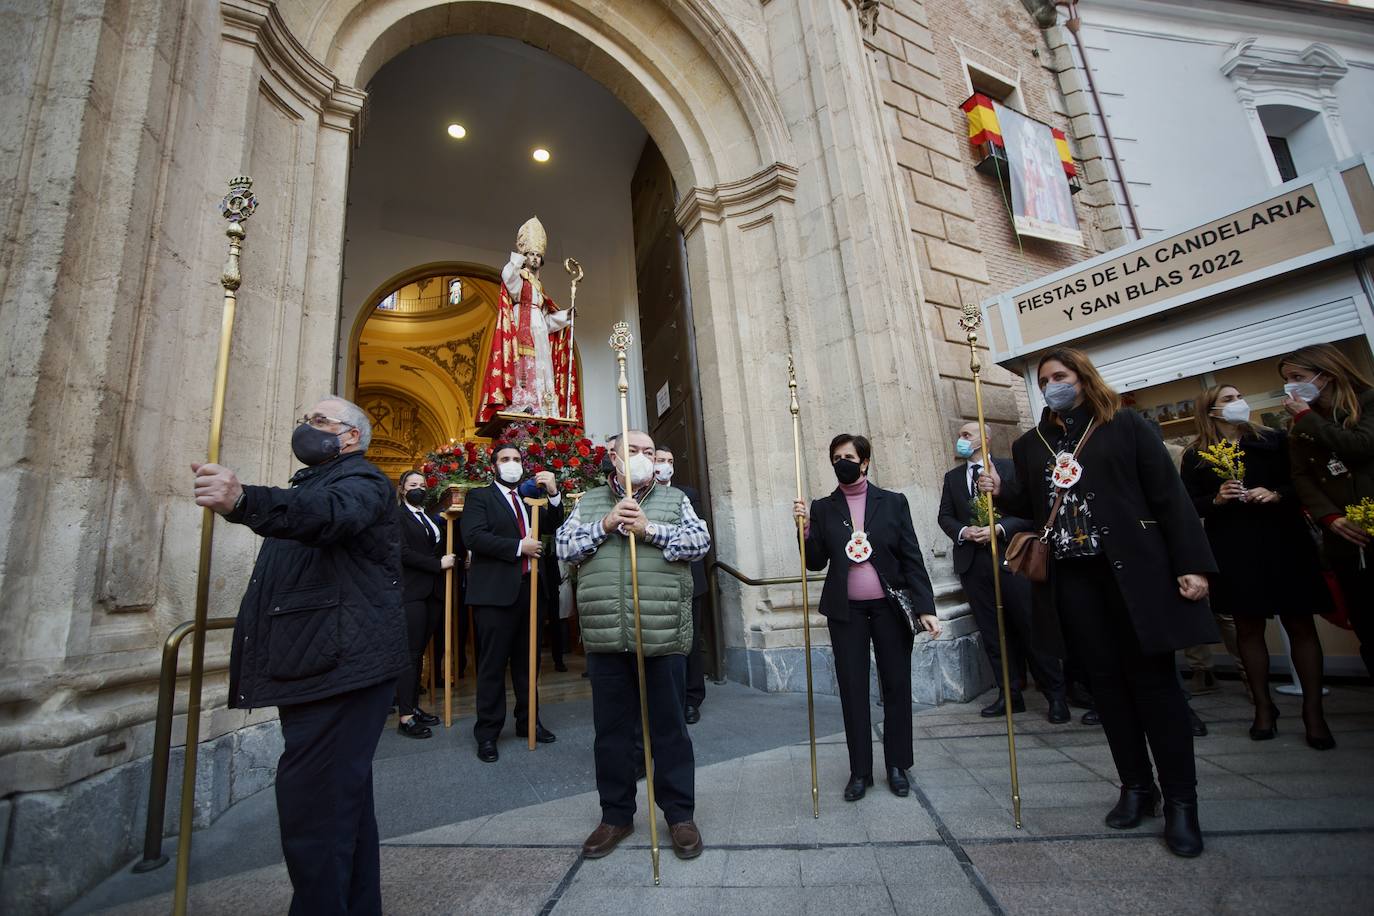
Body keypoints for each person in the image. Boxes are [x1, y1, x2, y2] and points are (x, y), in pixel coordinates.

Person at [979, 348, 1218, 857]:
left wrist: (1191, 563)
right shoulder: (1032, 443)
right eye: (1044, 380)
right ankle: (1136, 787)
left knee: (1156, 687)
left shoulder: (1126, 426)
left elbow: (1168, 497)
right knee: (1107, 688)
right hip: (1073, 581)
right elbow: (1032, 505)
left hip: (1132, 576)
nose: (1051, 386)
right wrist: (1001, 492)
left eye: (1059, 376)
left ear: (1083, 378)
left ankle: (1181, 802)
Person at [192, 396, 407, 915]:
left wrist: (244, 502)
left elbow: (328, 517)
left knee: (316, 816)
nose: (304, 428)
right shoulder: (313, 483)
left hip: (341, 667)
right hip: (323, 662)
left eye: (317, 421)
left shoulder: (361, 483)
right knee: (340, 809)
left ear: (350, 437)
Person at [556, 429, 711, 861]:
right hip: (608, 636)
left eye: (648, 451)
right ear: (614, 458)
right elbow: (563, 547)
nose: (644, 457)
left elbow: (699, 543)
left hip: (661, 631)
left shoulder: (675, 499)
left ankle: (680, 814)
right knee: (612, 734)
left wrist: (649, 529)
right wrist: (606, 525)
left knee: (670, 729)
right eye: (634, 451)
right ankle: (616, 815)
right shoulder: (586, 502)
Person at [1180, 384, 1335, 749]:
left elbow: (1302, 484)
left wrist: (1276, 493)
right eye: (1228, 400)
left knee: (1300, 623)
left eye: (1238, 397)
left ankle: (1314, 714)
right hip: (1235, 545)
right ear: (1212, 410)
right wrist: (1216, 499)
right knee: (1247, 628)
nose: (1238, 404)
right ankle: (1263, 707)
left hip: (1283, 539)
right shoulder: (1198, 455)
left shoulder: (1274, 440)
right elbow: (1189, 505)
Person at [792, 434, 940, 802]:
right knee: (852, 689)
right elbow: (815, 562)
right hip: (847, 613)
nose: (842, 461)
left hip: (889, 608)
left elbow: (911, 556)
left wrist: (926, 608)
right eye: (836, 456)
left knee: (896, 685)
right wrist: (805, 531)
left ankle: (897, 765)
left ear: (865, 462)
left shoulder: (892, 503)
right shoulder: (824, 507)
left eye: (849, 456)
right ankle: (860, 771)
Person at [938, 422, 1069, 723]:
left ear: (985, 438)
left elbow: (1028, 512)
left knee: (1029, 625)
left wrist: (997, 528)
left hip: (1012, 558)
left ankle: (1055, 694)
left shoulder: (1009, 469)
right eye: (959, 435)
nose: (961, 439)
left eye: (967, 435)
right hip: (974, 564)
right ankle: (1009, 693)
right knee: (993, 632)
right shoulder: (953, 478)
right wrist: (964, 531)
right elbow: (945, 516)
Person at [460, 443, 564, 763]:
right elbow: (473, 537)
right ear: (494, 466)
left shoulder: (529, 499)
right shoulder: (480, 498)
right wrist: (519, 547)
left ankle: (527, 721)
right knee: (493, 666)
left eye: (517, 459)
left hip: (530, 593)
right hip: (495, 595)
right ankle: (488, 733)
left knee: (528, 663)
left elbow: (552, 524)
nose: (512, 464)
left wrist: (555, 493)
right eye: (505, 459)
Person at [1280, 344, 1374, 679]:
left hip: (1370, 521)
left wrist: (1306, 417)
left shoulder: (1366, 402)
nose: (1291, 385)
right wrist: (1330, 517)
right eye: (1287, 379)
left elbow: (1360, 446)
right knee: (1365, 622)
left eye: (1298, 377)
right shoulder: (1301, 426)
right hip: (1343, 537)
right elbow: (1301, 476)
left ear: (1327, 374)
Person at [476, 217, 581, 422]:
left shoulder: (539, 288)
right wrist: (517, 260)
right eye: (531, 254)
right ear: (525, 257)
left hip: (539, 332)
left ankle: (540, 406)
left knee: (540, 367)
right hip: (520, 325)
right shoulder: (520, 278)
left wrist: (566, 316)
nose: (534, 259)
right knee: (521, 365)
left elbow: (546, 321)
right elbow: (507, 276)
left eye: (537, 256)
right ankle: (521, 404)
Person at [394, 470, 458, 739]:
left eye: (422, 484)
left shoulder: (430, 518)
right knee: (410, 653)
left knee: (419, 650)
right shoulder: (396, 517)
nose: (418, 488)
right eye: (413, 485)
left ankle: (414, 707)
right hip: (411, 591)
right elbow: (402, 552)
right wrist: (437, 564)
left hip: (432, 591)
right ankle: (405, 716)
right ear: (401, 489)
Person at [654, 446, 710, 723]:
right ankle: (667, 697)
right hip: (657, 582)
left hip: (689, 579)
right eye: (660, 460)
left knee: (689, 642)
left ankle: (692, 698)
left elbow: (697, 533)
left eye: (670, 461)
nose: (665, 465)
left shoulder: (687, 494)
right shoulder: (641, 497)